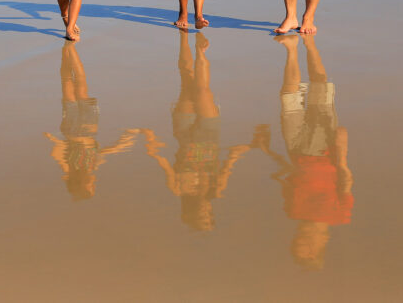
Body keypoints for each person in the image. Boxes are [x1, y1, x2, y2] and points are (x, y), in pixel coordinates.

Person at [138, 30, 254, 231]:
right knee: (202, 89)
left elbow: (164, 162)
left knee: (186, 79)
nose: (206, 212)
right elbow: (229, 162)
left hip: (184, 131)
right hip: (210, 132)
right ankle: (201, 52)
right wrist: (250, 146)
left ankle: (185, 41)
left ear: (192, 214)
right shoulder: (215, 190)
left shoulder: (178, 188)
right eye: (209, 216)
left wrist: (152, 142)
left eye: (202, 218)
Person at [255, 34, 353, 270]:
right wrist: (341, 149)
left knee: (288, 96)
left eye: (295, 241)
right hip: (324, 148)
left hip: (295, 148)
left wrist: (267, 150)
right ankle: (309, 45)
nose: (297, 237)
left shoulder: (292, 211)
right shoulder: (339, 215)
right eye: (301, 243)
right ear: (316, 247)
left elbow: (288, 176)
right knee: (319, 85)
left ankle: (291, 50)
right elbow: (345, 178)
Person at [44, 42, 138, 200]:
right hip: (89, 126)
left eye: (91, 186)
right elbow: (105, 152)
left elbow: (58, 154)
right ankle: (71, 51)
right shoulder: (92, 166)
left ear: (81, 184)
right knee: (80, 85)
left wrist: (54, 139)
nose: (94, 183)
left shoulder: (70, 169)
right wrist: (123, 143)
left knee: (67, 83)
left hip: (71, 128)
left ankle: (66, 54)